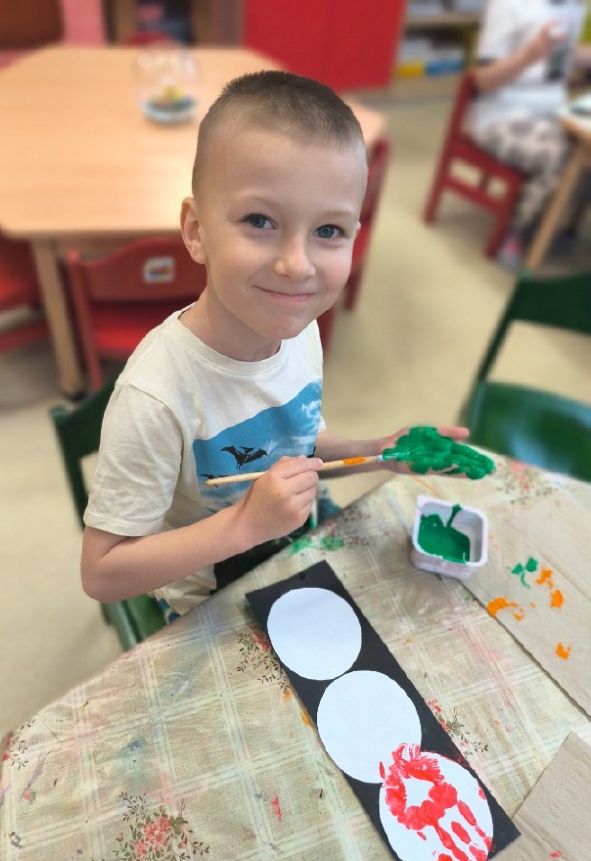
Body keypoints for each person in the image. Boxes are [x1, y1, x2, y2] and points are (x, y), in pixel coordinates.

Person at [81, 70, 469, 619]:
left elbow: (300, 448)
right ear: (196, 231)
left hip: (295, 547)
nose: (297, 265)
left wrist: (380, 451)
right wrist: (244, 524)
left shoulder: (299, 330)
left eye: (328, 231)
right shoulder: (155, 396)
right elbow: (101, 572)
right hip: (210, 596)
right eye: (260, 220)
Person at [468, 0, 589, 268]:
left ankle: (553, 221)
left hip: (553, 112)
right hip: (501, 116)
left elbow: (560, 57)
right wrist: (528, 56)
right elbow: (483, 81)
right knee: (561, 156)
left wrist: (579, 56)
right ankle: (516, 230)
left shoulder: (573, 6)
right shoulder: (508, 5)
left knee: (585, 154)